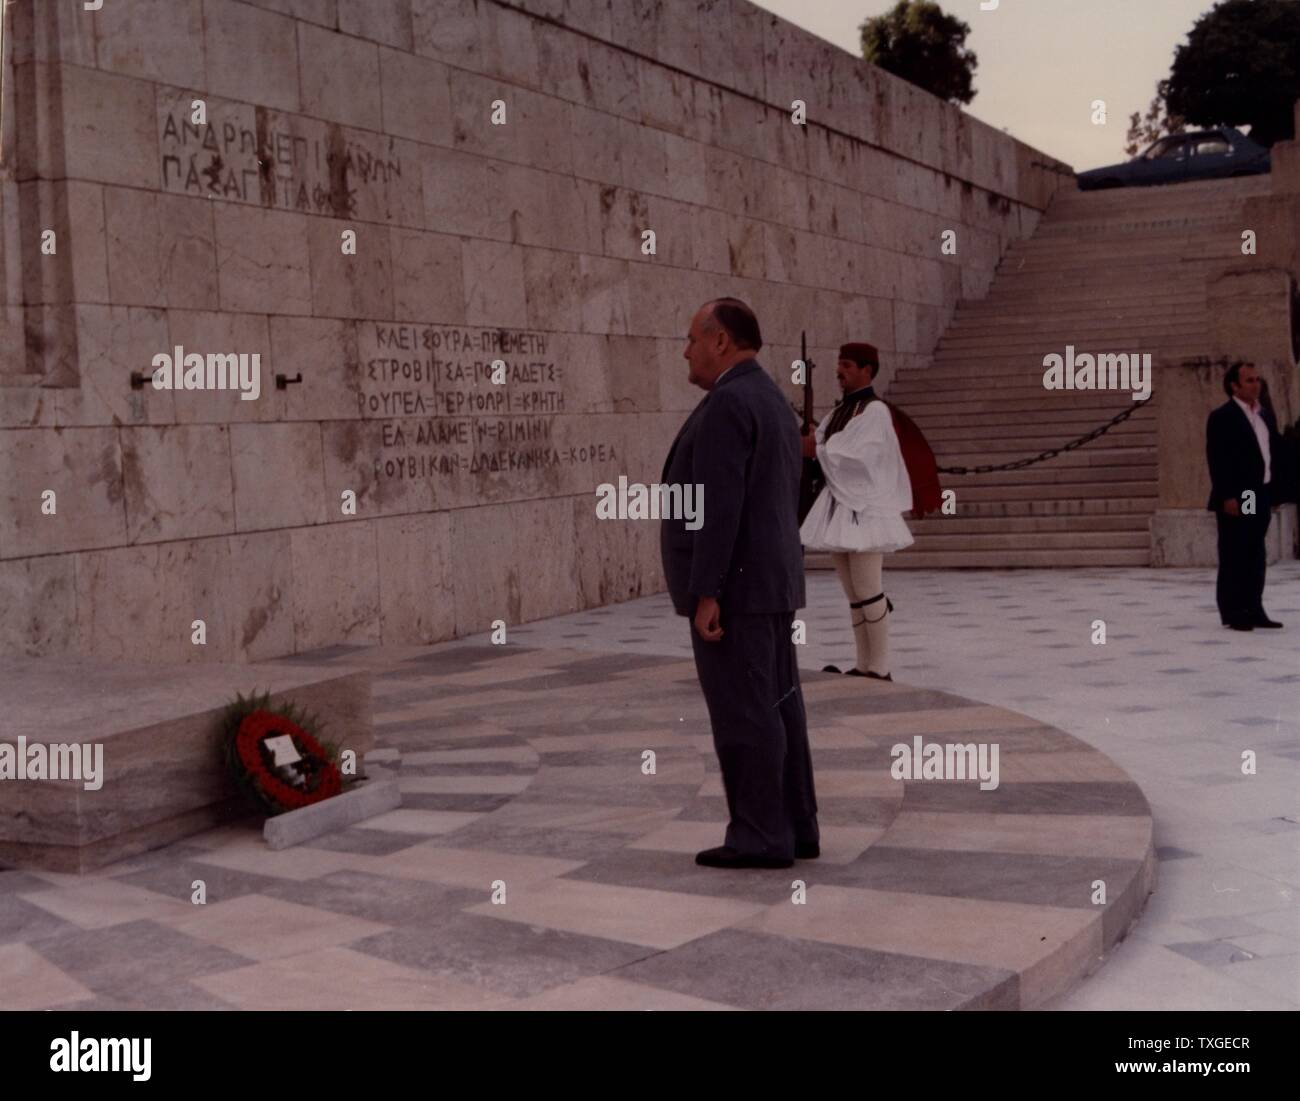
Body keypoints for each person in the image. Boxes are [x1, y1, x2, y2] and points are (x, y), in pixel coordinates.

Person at [660, 297, 819, 870]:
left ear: (720, 340)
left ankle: (758, 835)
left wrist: (708, 592)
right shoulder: (770, 397)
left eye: (692, 338)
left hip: (737, 594)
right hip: (770, 585)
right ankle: (796, 827)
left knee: (744, 713)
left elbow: (718, 509)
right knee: (778, 707)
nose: (686, 350)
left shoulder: (729, 403)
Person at [799, 342, 914, 679]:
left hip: (866, 510)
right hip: (841, 508)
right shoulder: (840, 411)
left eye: (847, 365)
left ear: (867, 370)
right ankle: (864, 663)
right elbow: (822, 443)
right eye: (839, 365)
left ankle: (880, 666)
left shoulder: (875, 411)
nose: (840, 371)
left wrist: (816, 449)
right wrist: (811, 442)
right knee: (854, 592)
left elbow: (856, 455)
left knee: (868, 588)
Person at [1206, 361, 1284, 630]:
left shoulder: (1264, 414)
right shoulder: (1223, 417)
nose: (1256, 384)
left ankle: (1255, 607)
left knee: (1255, 550)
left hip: (1261, 491)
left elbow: (1272, 452)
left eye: (1257, 379)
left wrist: (1276, 491)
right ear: (1234, 386)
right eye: (1249, 380)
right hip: (1242, 494)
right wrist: (1228, 496)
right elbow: (1217, 459)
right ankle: (1233, 610)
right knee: (1237, 550)